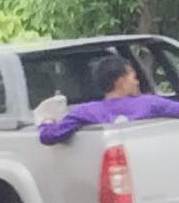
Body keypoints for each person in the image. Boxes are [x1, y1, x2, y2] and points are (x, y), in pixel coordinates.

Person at [38, 54, 179, 145]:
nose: (137, 82)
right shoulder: (150, 103)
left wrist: (47, 121)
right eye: (134, 78)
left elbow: (49, 136)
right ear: (121, 81)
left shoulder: (85, 112)